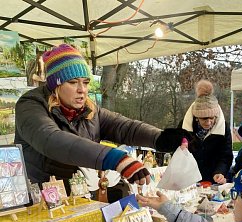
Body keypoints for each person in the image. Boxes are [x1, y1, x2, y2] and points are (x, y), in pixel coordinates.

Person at [14, 44, 186, 191]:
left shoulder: (89, 109)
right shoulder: (30, 105)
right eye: (73, 82)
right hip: (40, 199)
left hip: (78, 196)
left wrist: (161, 138)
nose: (82, 89)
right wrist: (116, 159)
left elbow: (124, 127)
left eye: (86, 82)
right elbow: (51, 139)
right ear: (55, 85)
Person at [179, 80, 233, 184]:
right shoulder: (183, 126)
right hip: (189, 180)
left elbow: (226, 155)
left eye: (211, 118)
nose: (208, 122)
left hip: (213, 179)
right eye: (204, 119)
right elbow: (176, 150)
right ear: (196, 117)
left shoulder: (224, 127)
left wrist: (220, 172)